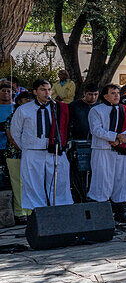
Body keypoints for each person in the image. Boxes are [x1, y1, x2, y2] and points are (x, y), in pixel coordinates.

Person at [10, 79, 73, 210]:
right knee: (33, 183)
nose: (47, 93)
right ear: (35, 92)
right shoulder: (24, 110)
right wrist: (27, 147)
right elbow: (15, 132)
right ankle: (37, 212)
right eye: (43, 90)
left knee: (58, 182)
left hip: (54, 150)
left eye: (49, 89)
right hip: (32, 151)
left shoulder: (57, 108)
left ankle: (59, 211)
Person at [89, 84, 126, 222]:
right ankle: (102, 214)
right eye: (113, 93)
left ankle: (120, 212)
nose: (116, 96)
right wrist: (115, 136)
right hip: (103, 150)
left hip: (121, 149)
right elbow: (96, 130)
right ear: (105, 96)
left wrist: (123, 138)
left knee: (121, 179)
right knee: (103, 180)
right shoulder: (96, 110)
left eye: (118, 93)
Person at [3, 92, 35, 221]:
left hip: (31, 154)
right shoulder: (12, 116)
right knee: (18, 183)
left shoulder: (33, 115)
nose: (29, 102)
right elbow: (12, 137)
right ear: (20, 102)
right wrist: (23, 149)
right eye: (27, 99)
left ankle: (30, 210)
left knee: (29, 182)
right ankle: (20, 212)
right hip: (15, 154)